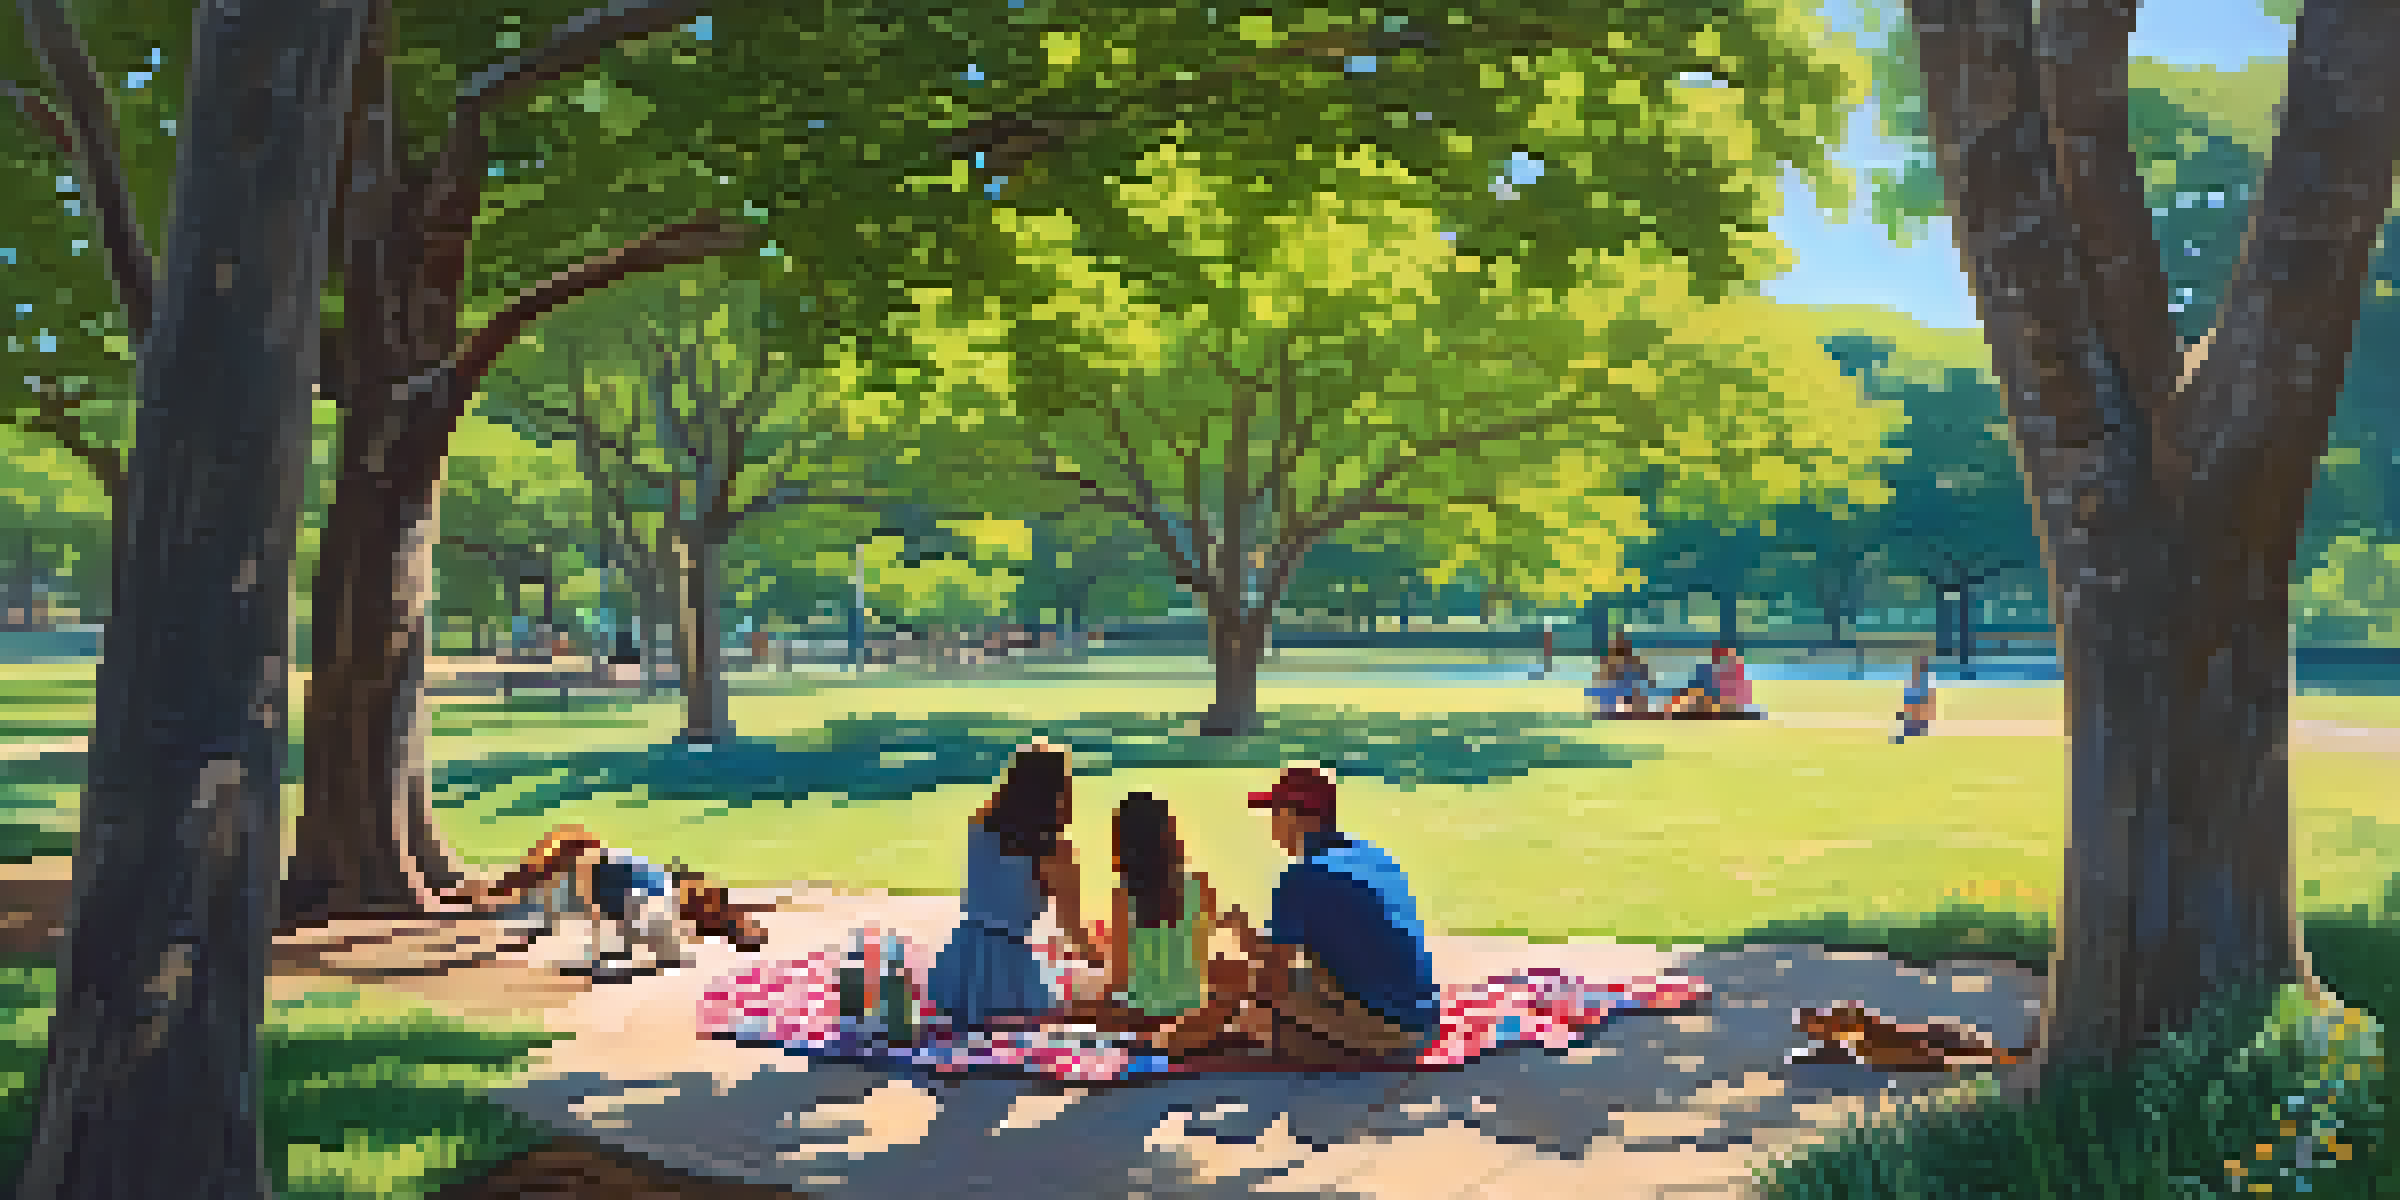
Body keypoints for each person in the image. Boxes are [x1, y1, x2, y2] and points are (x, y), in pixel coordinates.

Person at [1150, 765, 1439, 1066]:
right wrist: (1244, 935)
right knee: (1238, 981)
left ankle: (1159, 1048)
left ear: (1295, 815)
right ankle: (1171, 1040)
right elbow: (1314, 954)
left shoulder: (1300, 877)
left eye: (1275, 813)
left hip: (1394, 1033)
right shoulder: (1372, 855)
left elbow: (1272, 985)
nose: (1272, 825)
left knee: (1249, 1013)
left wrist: (1232, 984)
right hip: (1424, 1019)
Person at [927, 742, 1103, 1028]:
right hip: (1009, 969)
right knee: (1083, 998)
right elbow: (1074, 934)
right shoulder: (1055, 851)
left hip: (960, 958)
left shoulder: (980, 824)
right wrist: (1109, 961)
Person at [1088, 791, 1221, 1023]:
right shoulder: (1201, 886)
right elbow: (1199, 962)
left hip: (1141, 1018)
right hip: (1190, 1016)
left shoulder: (1124, 896)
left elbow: (1120, 979)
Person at [1893, 655, 1936, 743]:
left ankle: (1910, 734)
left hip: (1918, 703)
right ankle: (1908, 734)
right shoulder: (1915, 679)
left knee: (1916, 719)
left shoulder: (1925, 679)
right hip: (1915, 703)